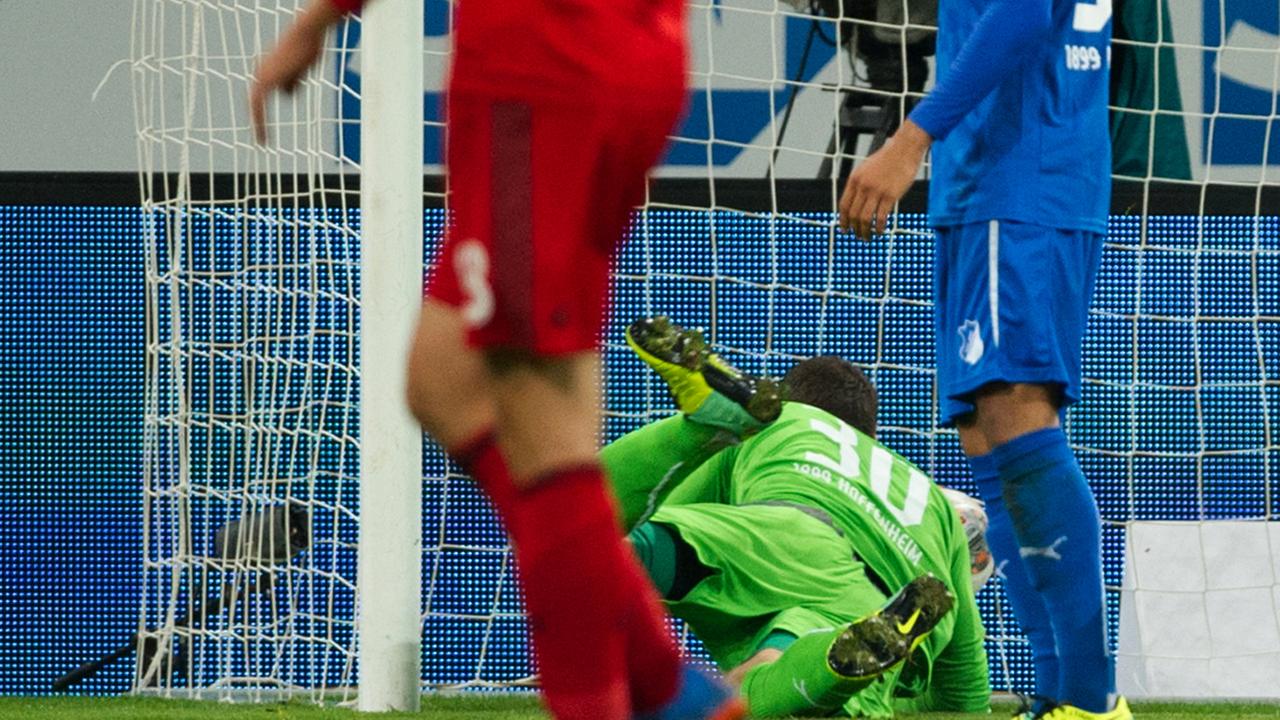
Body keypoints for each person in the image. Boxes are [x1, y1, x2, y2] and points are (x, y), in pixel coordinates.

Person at [249, 3, 744, 720]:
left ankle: (638, 693)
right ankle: (665, 682)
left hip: (546, 73)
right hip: (575, 67)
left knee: (544, 434)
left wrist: (318, 18)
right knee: (440, 379)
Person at [836, 1, 1125, 718]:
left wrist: (911, 139)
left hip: (1021, 174)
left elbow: (1022, 13)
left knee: (1017, 416)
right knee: (989, 433)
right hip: (995, 181)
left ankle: (1091, 698)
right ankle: (1056, 692)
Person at [603, 316, 993, 718]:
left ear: (793, 401)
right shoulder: (935, 503)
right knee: (777, 672)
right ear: (872, 436)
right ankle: (831, 664)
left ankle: (702, 425)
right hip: (872, 595)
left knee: (588, 537)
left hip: (777, 533)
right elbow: (965, 698)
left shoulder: (781, 420)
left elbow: (645, 512)